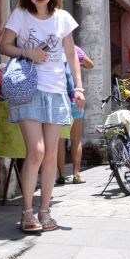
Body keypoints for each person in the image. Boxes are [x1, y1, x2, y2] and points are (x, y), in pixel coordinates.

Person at [0, 0, 84, 233]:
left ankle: (44, 210)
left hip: (56, 90)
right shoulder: (20, 15)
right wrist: (29, 53)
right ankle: (27, 211)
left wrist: (78, 88)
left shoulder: (63, 19)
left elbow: (72, 57)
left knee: (50, 155)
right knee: (35, 151)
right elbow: (4, 45)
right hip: (28, 88)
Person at [56, 44, 94, 185]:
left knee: (60, 140)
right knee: (76, 138)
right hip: (75, 99)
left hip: (59, 100)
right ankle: (76, 174)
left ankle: (60, 175)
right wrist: (78, 61)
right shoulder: (73, 48)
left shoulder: (51, 46)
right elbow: (91, 65)